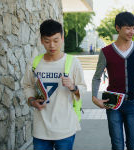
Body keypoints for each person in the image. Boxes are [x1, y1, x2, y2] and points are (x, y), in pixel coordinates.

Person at [92, 12, 134, 150]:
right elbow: (97, 76)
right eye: (127, 28)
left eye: (133, 28)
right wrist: (94, 98)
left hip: (133, 102)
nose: (131, 31)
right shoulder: (106, 51)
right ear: (117, 28)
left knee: (133, 145)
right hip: (113, 104)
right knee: (117, 145)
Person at [22, 19, 86, 150]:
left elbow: (83, 88)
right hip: (41, 130)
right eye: (47, 41)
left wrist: (73, 87)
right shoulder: (34, 63)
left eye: (56, 40)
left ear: (62, 38)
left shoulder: (72, 62)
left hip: (65, 129)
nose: (52, 45)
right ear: (41, 40)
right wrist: (32, 100)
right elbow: (27, 85)